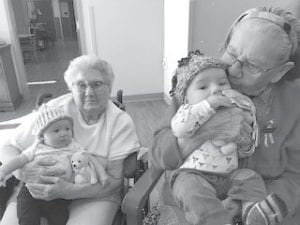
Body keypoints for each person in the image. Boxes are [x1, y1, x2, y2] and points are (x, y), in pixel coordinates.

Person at [150, 6, 300, 225]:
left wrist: (246, 204)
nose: (233, 70)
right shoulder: (200, 82)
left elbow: (296, 176)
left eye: (252, 65)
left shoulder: (294, 101)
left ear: (279, 72)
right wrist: (204, 131)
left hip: (262, 205)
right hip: (190, 204)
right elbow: (156, 153)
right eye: (231, 52)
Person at [0, 55, 140, 225]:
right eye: (81, 85)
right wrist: (22, 171)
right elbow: (7, 146)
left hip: (94, 194)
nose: (89, 92)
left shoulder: (120, 122)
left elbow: (113, 182)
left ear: (109, 87)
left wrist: (69, 191)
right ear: (71, 88)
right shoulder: (53, 111)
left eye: (97, 84)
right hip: (35, 192)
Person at [169, 54, 280, 225]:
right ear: (186, 98)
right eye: (203, 87)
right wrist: (208, 106)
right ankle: (216, 221)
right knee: (192, 191)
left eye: (222, 83)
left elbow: (246, 150)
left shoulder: (236, 110)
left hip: (229, 176)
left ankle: (252, 211)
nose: (215, 90)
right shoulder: (188, 111)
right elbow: (180, 129)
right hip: (194, 174)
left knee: (250, 177)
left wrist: (244, 141)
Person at [0, 104, 106, 225]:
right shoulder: (36, 148)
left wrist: (101, 174)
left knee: (60, 218)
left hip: (59, 193)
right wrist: (3, 171)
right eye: (56, 130)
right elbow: (19, 160)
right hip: (32, 190)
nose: (63, 133)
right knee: (27, 216)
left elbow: (89, 158)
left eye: (67, 129)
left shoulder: (73, 146)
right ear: (42, 135)